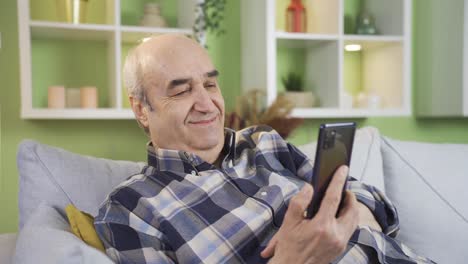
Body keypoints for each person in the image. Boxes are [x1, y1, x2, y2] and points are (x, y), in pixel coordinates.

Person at [94, 34, 433, 264]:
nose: (207, 104)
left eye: (210, 84)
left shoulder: (263, 142)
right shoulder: (131, 210)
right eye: (181, 91)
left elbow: (376, 205)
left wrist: (344, 217)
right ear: (141, 109)